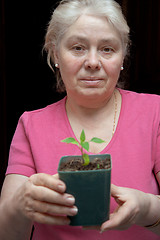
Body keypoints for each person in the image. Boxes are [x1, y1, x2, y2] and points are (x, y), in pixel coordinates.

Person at [0, 0, 160, 239]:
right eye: (77, 48)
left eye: (107, 49)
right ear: (56, 54)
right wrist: (19, 205)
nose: (93, 62)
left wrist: (147, 208)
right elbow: (9, 234)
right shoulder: (30, 125)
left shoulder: (155, 112)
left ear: (123, 57)